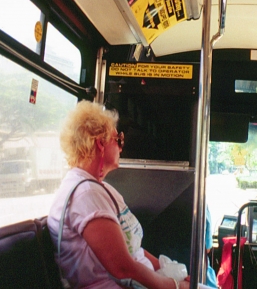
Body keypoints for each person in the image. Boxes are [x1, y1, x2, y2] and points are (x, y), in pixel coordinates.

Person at [47, 101, 190, 289]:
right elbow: (123, 269)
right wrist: (175, 287)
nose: (122, 147)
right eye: (118, 140)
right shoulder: (85, 195)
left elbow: (133, 249)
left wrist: (167, 269)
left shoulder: (101, 189)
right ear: (100, 143)